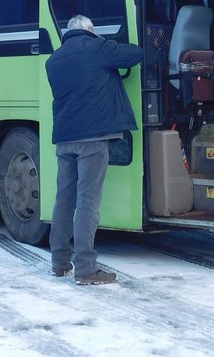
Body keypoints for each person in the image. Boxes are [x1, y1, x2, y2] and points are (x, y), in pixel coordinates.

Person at [46, 15, 143, 285]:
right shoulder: (98, 48)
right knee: (88, 201)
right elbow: (136, 53)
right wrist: (103, 41)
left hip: (65, 139)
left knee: (64, 201)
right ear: (90, 31)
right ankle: (86, 269)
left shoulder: (53, 60)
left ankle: (59, 262)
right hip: (93, 139)